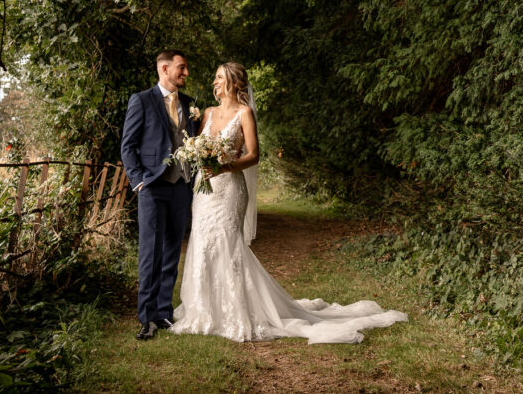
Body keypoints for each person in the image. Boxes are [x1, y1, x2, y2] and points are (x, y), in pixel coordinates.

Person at [170, 62, 407, 343]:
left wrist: (225, 166)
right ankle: (203, 309)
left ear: (233, 82)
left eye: (220, 77)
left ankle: (234, 309)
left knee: (227, 242)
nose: (215, 81)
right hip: (205, 189)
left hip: (230, 188)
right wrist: (199, 157)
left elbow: (254, 155)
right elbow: (197, 146)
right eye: (215, 77)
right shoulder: (208, 113)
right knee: (202, 239)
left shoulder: (244, 113)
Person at [121, 49, 198, 340]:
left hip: (181, 186)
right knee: (150, 253)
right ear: (164, 68)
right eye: (181, 67)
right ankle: (147, 317)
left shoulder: (189, 104)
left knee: (171, 252)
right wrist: (138, 181)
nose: (185, 73)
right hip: (153, 187)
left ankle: (164, 311)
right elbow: (128, 146)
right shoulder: (141, 100)